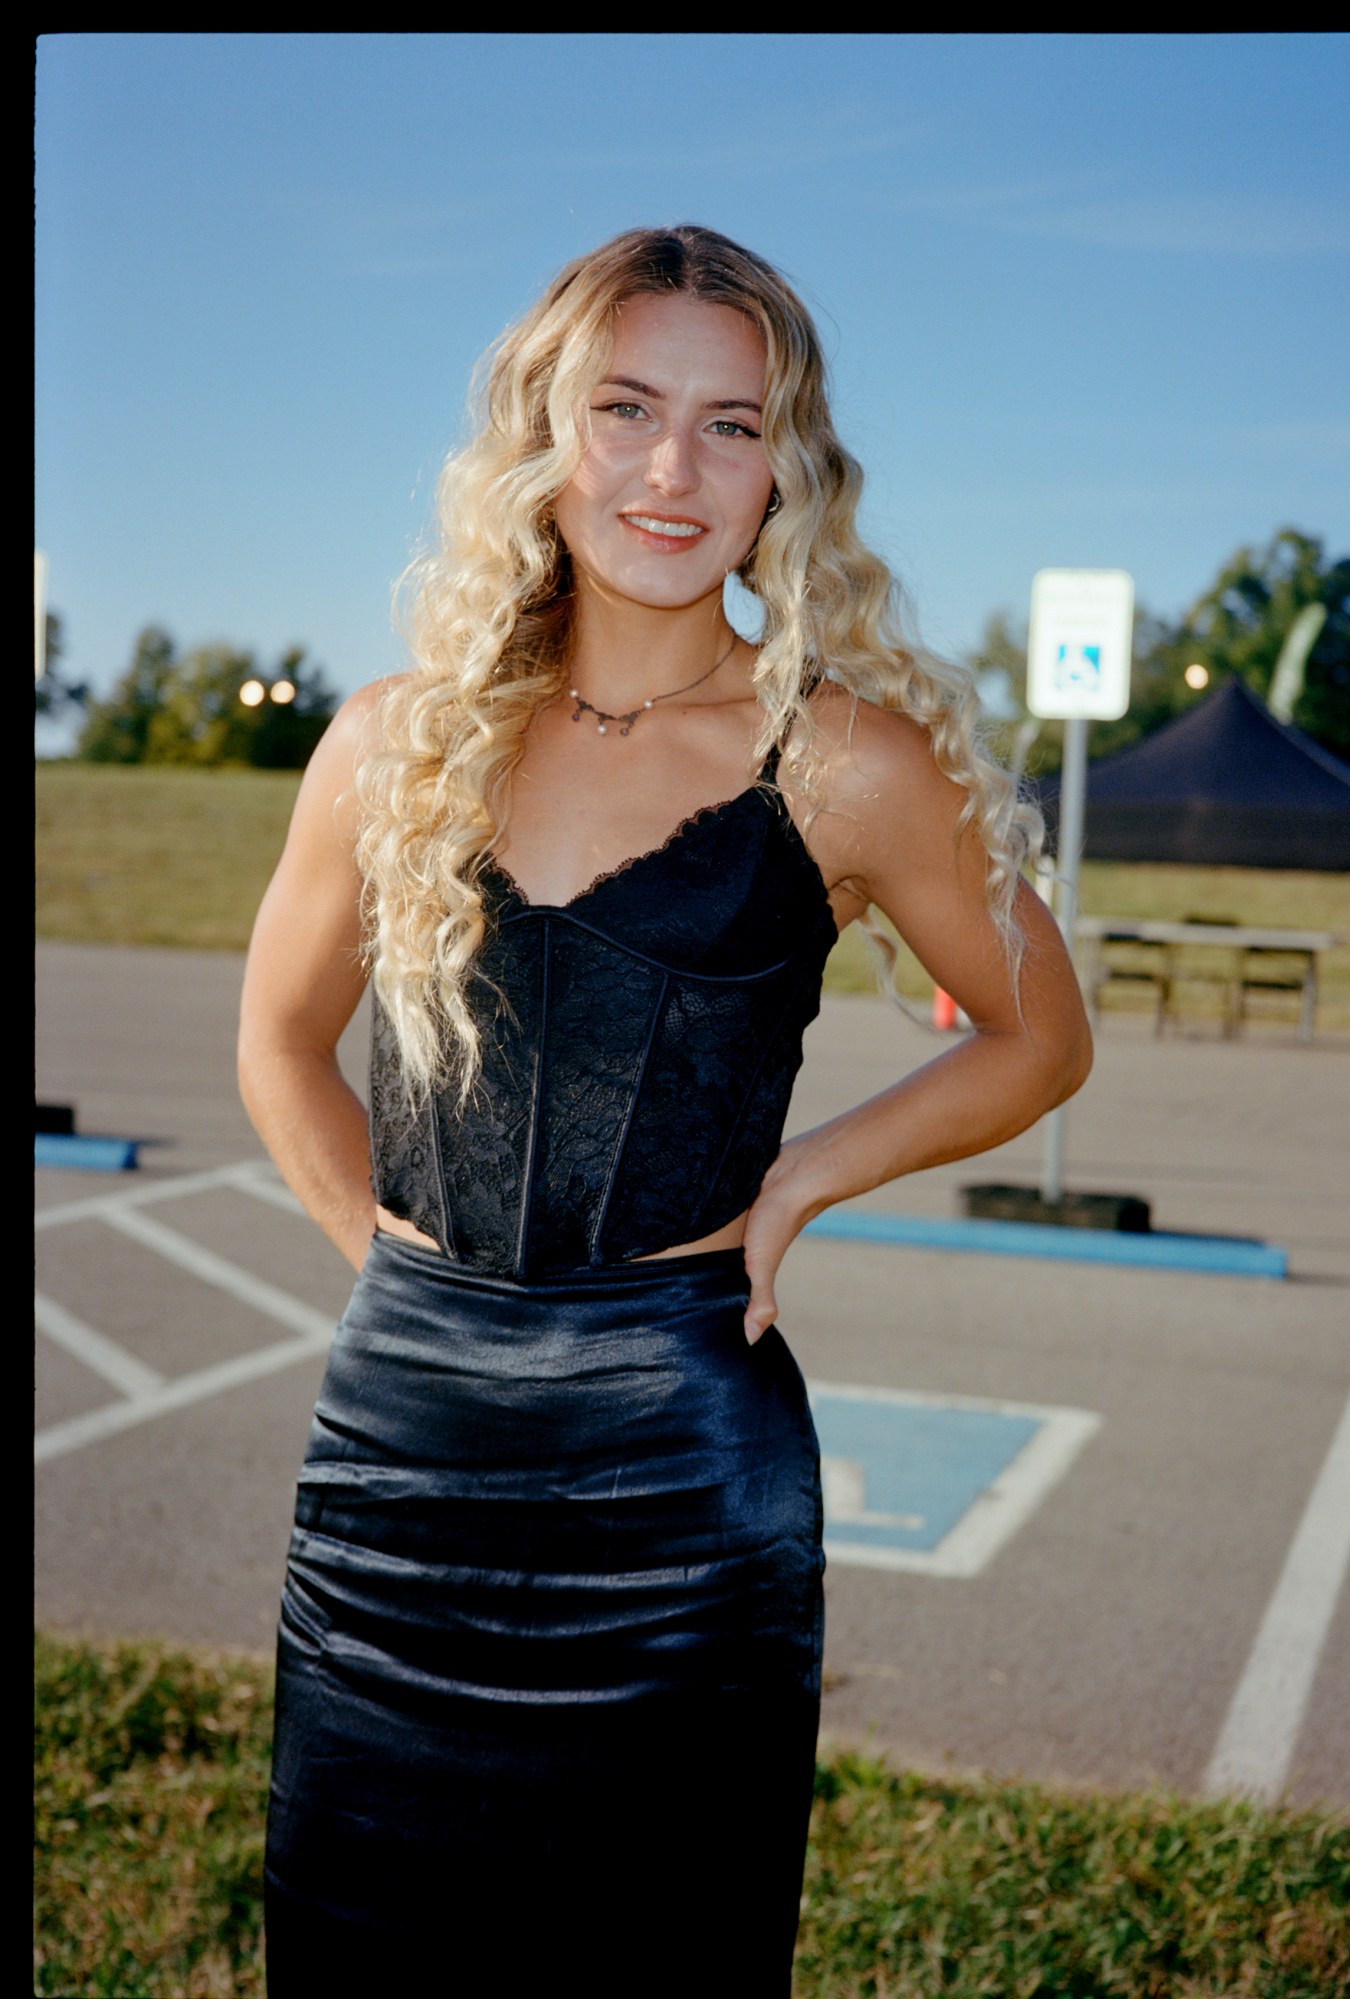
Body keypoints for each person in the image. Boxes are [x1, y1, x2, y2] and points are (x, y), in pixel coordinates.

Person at [238, 223, 1092, 1996]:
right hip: (400, 1460)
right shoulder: (395, 742)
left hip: (679, 1468)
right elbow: (278, 1040)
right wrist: (391, 1267)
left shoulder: (842, 759)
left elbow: (1036, 1033)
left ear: (789, 466)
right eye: (626, 407)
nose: (671, 468)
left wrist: (801, 1184)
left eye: (731, 422)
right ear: (543, 436)